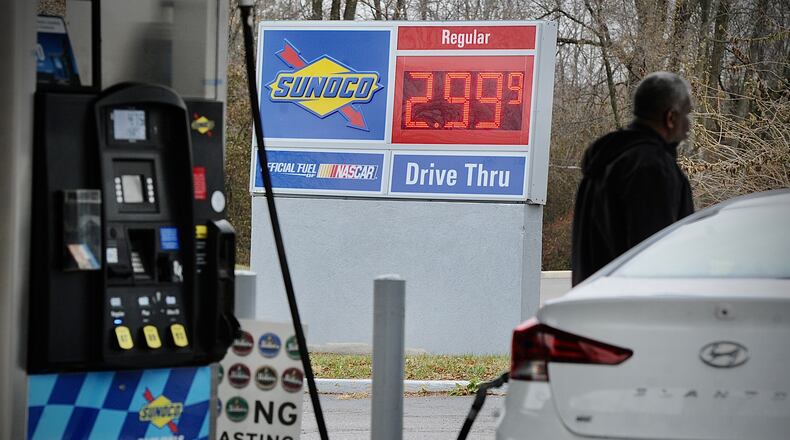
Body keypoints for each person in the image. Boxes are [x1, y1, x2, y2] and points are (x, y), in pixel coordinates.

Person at [571, 71, 695, 286]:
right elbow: (655, 259)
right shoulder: (652, 168)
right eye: (687, 115)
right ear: (671, 118)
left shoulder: (603, 163)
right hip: (633, 313)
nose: (689, 126)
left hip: (591, 306)